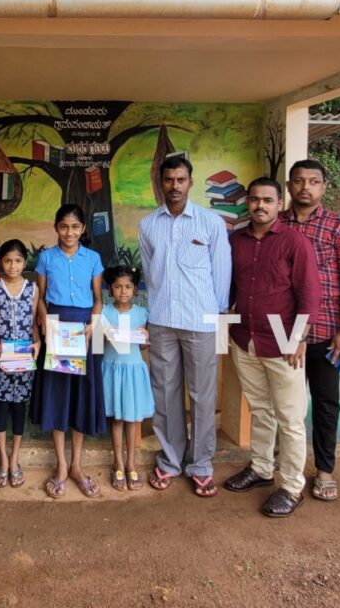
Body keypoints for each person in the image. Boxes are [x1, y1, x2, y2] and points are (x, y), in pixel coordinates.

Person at [223, 177, 321, 517]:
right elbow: (229, 287)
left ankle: (292, 486)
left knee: (290, 418)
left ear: (280, 204)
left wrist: (299, 338)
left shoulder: (295, 242)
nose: (260, 205)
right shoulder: (236, 241)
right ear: (247, 203)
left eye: (267, 200)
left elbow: (310, 294)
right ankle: (262, 468)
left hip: (283, 340)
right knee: (260, 410)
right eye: (254, 199)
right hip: (245, 337)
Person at [138, 156, 231, 498]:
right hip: (162, 320)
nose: (174, 186)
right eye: (168, 180)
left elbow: (222, 273)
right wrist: (151, 314)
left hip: (200, 321)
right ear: (160, 183)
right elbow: (150, 274)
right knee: (165, 392)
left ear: (190, 182)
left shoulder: (210, 223)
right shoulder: (148, 225)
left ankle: (201, 464)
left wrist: (216, 316)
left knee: (202, 395)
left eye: (180, 179)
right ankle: (170, 459)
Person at [281, 160, 340, 502]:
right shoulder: (276, 224)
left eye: (313, 181)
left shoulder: (339, 227)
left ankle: (325, 470)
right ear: (289, 186)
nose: (306, 187)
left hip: (327, 331)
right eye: (299, 181)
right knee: (283, 405)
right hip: (285, 332)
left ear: (324, 186)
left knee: (326, 403)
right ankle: (286, 467)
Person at [30, 204, 105, 499]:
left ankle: (77, 466)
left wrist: (92, 326)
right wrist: (45, 321)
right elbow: (40, 297)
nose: (69, 233)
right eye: (63, 227)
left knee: (81, 396)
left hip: (84, 331)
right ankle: (61, 465)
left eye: (75, 227)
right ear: (56, 227)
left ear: (83, 228)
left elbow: (98, 299)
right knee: (60, 394)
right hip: (59, 330)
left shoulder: (93, 258)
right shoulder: (47, 258)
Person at [0, 239, 40, 489]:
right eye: (7, 261)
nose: (13, 266)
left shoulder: (33, 289)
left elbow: (34, 323)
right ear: (1, 262)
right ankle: (3, 458)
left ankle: (15, 457)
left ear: (25, 262)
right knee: (1, 405)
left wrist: (38, 342)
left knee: (19, 407)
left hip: (23, 358)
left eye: (18, 261)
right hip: (0, 358)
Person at [100, 265, 153, 492]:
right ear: (110, 289)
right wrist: (105, 334)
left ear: (135, 289)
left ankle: (131, 462)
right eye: (118, 287)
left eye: (128, 287)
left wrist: (145, 337)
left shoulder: (142, 314)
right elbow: (98, 344)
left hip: (132, 370)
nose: (123, 291)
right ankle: (118, 462)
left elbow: (143, 347)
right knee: (117, 419)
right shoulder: (104, 312)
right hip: (112, 369)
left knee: (132, 419)